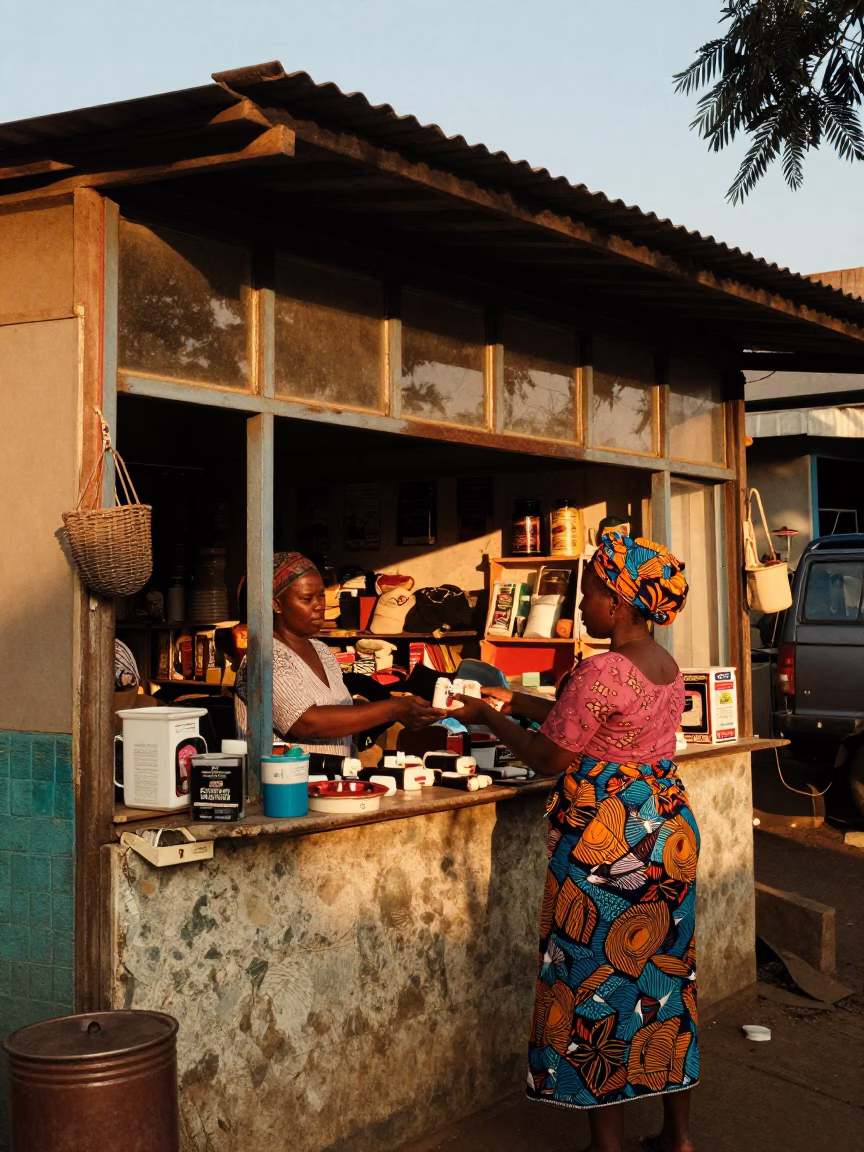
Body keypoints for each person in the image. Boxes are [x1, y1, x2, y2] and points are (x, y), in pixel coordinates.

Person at [455, 529, 696, 1152]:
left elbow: (548, 757)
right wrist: (516, 699)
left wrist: (488, 717)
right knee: (663, 978)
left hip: (608, 845)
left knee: (597, 979)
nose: (580, 605)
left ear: (617, 600)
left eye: (588, 593)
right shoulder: (663, 664)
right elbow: (593, 720)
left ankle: (606, 1145)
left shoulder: (600, 670)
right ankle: (677, 1136)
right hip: (665, 835)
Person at [235, 552, 443, 755]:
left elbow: (334, 709)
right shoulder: (264, 660)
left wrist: (394, 709)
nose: (319, 606)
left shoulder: (322, 651)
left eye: (321, 596)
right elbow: (307, 723)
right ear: (276, 605)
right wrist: (391, 709)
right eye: (307, 599)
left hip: (331, 783)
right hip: (282, 785)